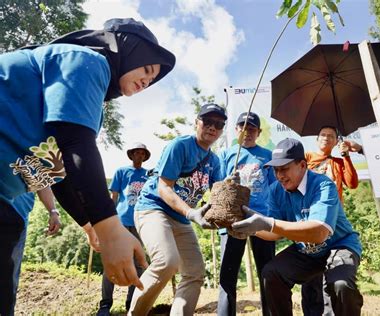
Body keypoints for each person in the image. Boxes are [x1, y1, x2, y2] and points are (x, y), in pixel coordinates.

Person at [0, 17, 176, 291]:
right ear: (126, 49)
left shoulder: (92, 105)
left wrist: (89, 225)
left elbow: (57, 171)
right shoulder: (86, 60)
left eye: (152, 80)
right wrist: (109, 229)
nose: (147, 81)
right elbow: (75, 144)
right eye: (147, 68)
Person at [231, 138, 362, 316]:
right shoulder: (276, 190)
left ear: (302, 165)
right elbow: (274, 233)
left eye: (284, 169)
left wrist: (269, 223)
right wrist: (248, 229)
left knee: (341, 285)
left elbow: (319, 232)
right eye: (276, 170)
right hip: (306, 251)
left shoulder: (323, 185)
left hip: (339, 246)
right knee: (271, 273)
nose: (279, 176)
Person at [129, 103, 227, 315]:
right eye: (207, 121)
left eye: (218, 124)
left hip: (181, 219)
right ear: (196, 122)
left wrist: (231, 188)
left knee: (195, 272)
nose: (212, 127)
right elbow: (164, 188)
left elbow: (219, 196)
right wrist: (192, 213)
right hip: (153, 208)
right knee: (167, 262)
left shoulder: (215, 161)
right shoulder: (180, 146)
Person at [217, 112, 276, 316]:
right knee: (228, 275)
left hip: (261, 219)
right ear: (235, 130)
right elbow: (216, 188)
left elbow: (275, 187)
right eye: (242, 127)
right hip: (232, 221)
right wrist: (226, 181)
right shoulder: (225, 155)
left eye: (251, 129)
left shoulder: (268, 156)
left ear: (258, 133)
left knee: (267, 273)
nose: (246, 132)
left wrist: (276, 219)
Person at [302, 126, 364, 315]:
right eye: (323, 135)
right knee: (311, 274)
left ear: (336, 141)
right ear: (317, 138)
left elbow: (352, 183)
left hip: (333, 221)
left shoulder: (337, 161)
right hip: (308, 218)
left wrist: (346, 156)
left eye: (331, 136)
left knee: (334, 271)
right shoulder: (307, 158)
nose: (326, 138)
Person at [97, 143, 151, 315]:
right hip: (120, 222)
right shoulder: (121, 172)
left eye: (142, 153)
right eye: (136, 153)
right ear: (131, 155)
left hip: (140, 223)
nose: (139, 156)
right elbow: (113, 197)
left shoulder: (148, 176)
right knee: (111, 261)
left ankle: (131, 302)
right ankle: (105, 304)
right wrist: (105, 220)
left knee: (138, 264)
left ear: (144, 156)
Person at [1, 188, 61, 315]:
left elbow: (42, 183)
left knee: (9, 278)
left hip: (18, 221)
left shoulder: (36, 167)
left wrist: (53, 211)